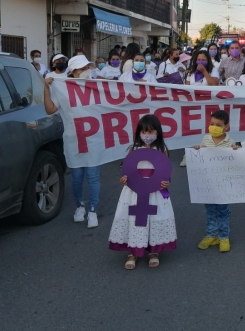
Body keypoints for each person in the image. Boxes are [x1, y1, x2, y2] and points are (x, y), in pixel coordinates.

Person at [108, 114, 176, 269]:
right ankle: (133, 251)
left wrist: (167, 182)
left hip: (155, 192)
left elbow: (166, 172)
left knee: (154, 219)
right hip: (134, 192)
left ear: (157, 132)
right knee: (134, 220)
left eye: (150, 132)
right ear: (139, 133)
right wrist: (124, 179)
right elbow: (127, 170)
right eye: (144, 132)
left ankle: (154, 251)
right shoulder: (133, 149)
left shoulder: (162, 150)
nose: (147, 135)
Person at [43, 55, 101, 228]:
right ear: (73, 72)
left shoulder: (97, 88)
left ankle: (92, 210)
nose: (86, 72)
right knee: (76, 177)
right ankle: (79, 207)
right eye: (83, 69)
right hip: (73, 139)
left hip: (93, 138)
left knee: (93, 176)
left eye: (88, 68)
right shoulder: (62, 89)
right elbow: (50, 109)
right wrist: (45, 88)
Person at [192, 110, 239, 253]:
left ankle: (224, 236)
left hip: (223, 185)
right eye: (212, 124)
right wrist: (198, 150)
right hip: (208, 184)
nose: (214, 127)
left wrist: (237, 151)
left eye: (218, 125)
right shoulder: (206, 139)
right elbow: (202, 159)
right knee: (210, 210)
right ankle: (211, 234)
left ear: (226, 127)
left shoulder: (230, 142)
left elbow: (236, 161)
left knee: (223, 211)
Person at [180, 51, 220, 167]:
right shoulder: (190, 73)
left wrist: (204, 72)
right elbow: (186, 88)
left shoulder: (213, 71)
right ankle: (188, 155)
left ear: (208, 61)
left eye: (204, 60)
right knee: (191, 130)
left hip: (209, 106)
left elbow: (214, 84)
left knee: (206, 130)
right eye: (199, 60)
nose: (201, 62)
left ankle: (206, 154)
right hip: (193, 106)